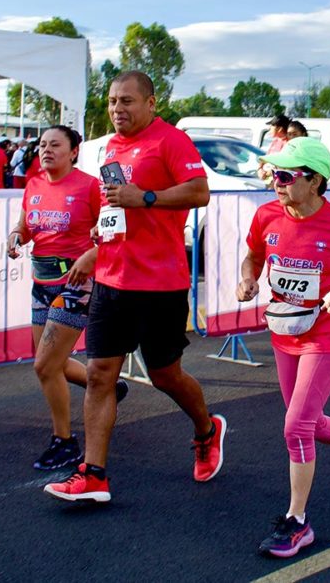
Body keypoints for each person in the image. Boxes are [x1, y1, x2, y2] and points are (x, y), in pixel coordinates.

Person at [43, 71, 226, 504]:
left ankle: (207, 429)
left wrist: (145, 197)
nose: (117, 109)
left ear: (150, 102)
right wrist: (95, 252)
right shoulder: (110, 146)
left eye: (127, 101)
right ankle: (93, 475)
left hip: (160, 282)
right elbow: (114, 210)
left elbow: (200, 192)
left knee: (166, 375)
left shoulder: (170, 141)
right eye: (111, 101)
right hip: (112, 278)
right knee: (99, 374)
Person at [236, 137, 330, 558]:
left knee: (295, 427)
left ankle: (297, 522)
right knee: (305, 420)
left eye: (285, 175)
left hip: (327, 338)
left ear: (315, 181)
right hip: (284, 333)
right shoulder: (267, 215)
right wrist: (247, 279)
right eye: (273, 174)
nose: (276, 182)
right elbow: (251, 257)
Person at [7, 126, 128, 471]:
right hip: (40, 281)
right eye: (42, 145)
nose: (46, 150)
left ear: (73, 151)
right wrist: (16, 236)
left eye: (55, 145)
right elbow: (26, 226)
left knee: (44, 365)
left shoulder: (89, 186)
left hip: (77, 284)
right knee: (53, 365)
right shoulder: (33, 184)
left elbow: (112, 229)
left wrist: (93, 254)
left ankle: (65, 441)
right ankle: (108, 386)